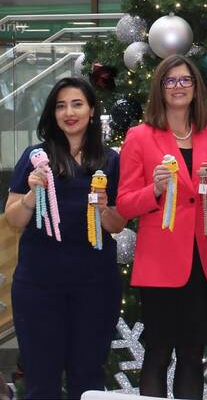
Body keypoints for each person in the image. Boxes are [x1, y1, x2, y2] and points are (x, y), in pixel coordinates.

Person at [116, 54, 207, 399]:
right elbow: (123, 204)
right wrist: (154, 189)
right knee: (158, 354)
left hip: (203, 261)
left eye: (185, 80)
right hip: (160, 264)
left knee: (193, 356)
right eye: (171, 80)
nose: (178, 87)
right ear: (160, 88)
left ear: (196, 87)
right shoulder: (139, 136)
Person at [5, 77, 126, 399]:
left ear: (90, 110)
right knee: (41, 381)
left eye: (77, 104)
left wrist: (103, 210)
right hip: (38, 286)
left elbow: (117, 224)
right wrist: (31, 194)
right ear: (52, 114)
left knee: (87, 377)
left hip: (95, 286)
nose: (69, 112)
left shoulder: (111, 160)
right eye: (60, 106)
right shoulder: (35, 157)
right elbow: (13, 219)